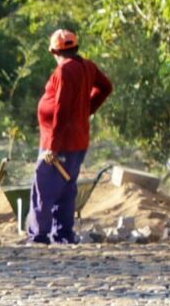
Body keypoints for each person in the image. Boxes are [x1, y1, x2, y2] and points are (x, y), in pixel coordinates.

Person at [27, 28, 113, 245]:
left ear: (54, 51)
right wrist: (87, 110)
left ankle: (38, 236)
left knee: (43, 188)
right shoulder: (88, 67)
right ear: (75, 47)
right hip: (78, 140)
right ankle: (63, 234)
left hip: (58, 143)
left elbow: (61, 109)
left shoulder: (64, 71)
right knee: (66, 187)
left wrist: (52, 147)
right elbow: (106, 87)